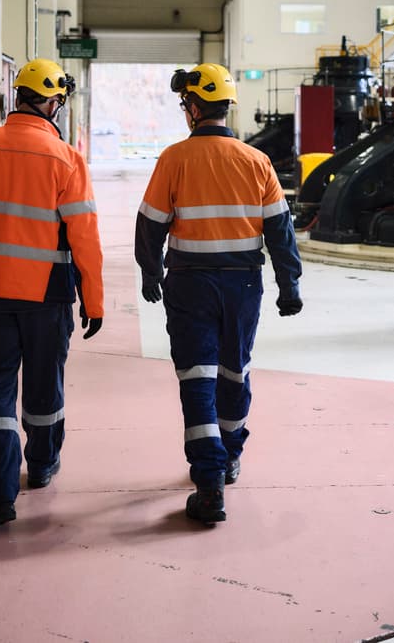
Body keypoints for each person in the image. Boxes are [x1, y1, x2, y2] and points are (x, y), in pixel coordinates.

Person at [0, 57, 104, 528]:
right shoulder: (67, 159)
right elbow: (85, 238)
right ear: (52, 103)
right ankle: (43, 464)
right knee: (43, 387)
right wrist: (94, 300)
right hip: (46, 297)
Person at [135, 63, 303, 526]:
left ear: (192, 107)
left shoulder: (173, 159)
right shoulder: (257, 162)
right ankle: (228, 457)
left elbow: (150, 224)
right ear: (227, 107)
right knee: (235, 372)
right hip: (243, 285)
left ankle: (209, 484)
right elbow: (281, 232)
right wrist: (290, 285)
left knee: (197, 378)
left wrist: (150, 272)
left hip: (190, 284)